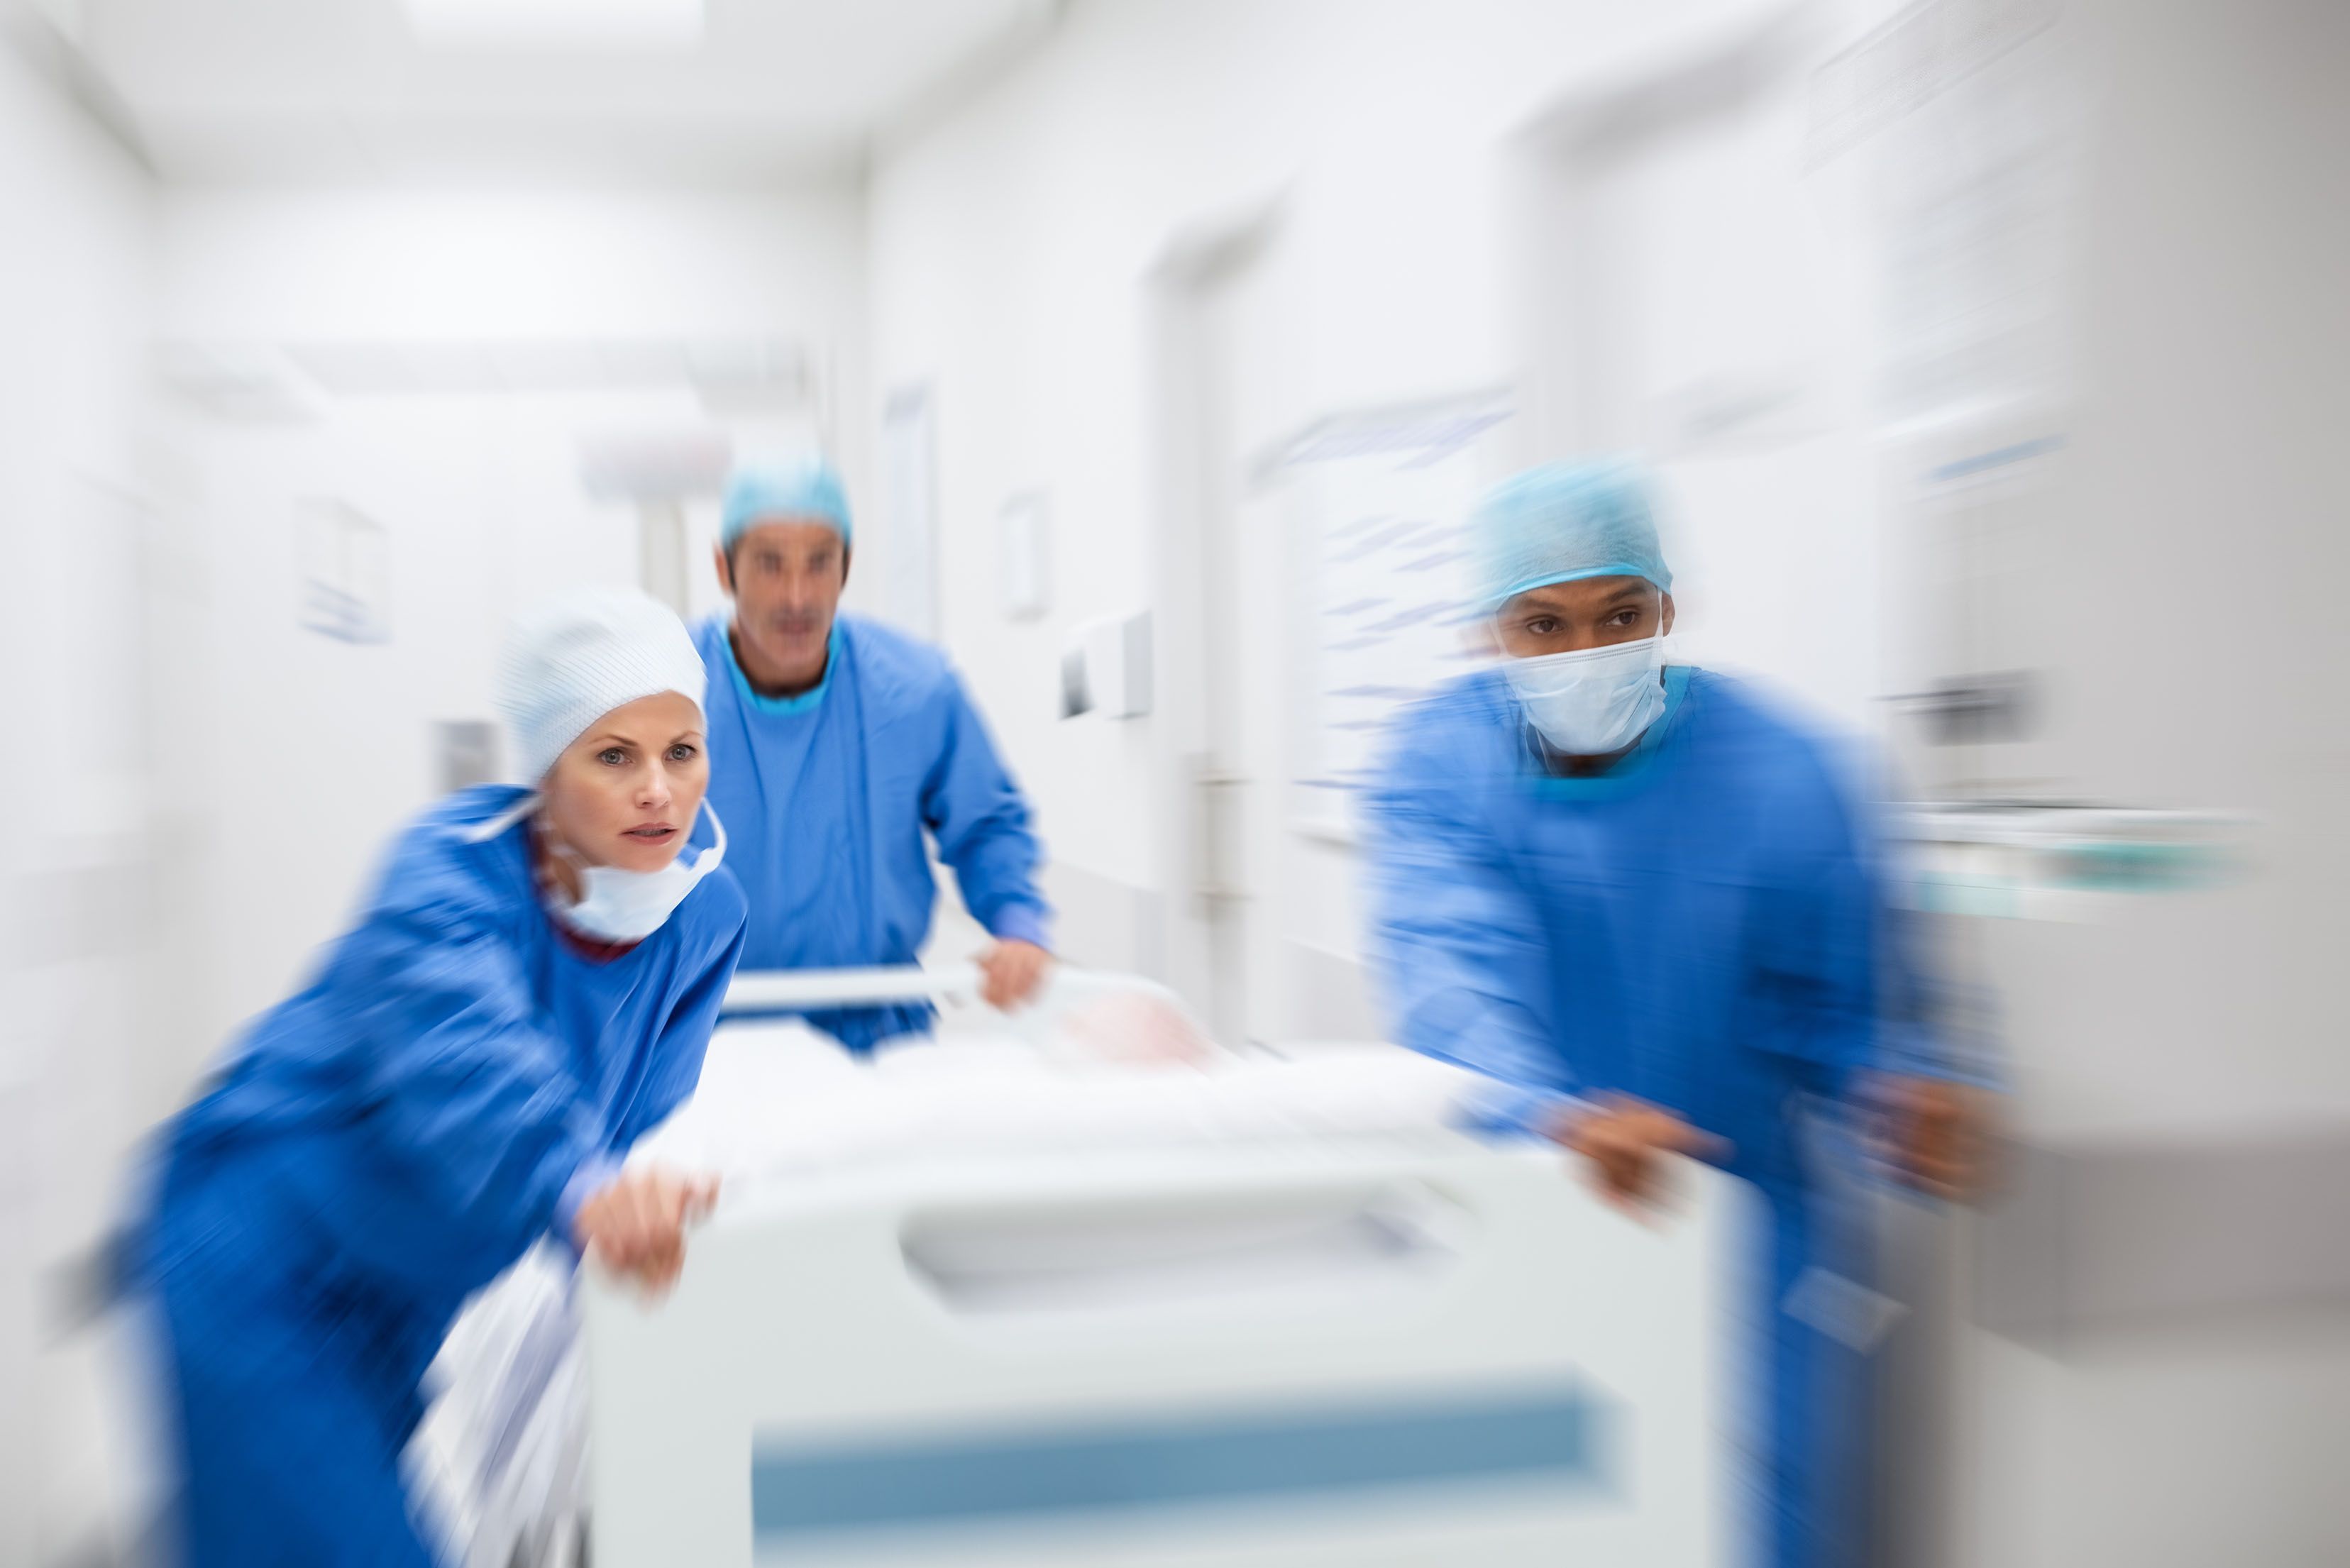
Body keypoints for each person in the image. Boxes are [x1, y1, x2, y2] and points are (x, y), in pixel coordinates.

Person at [1361, 459, 1987, 1568]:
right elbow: (1452, 971)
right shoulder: (1438, 764)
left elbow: (1858, 1003)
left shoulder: (1790, 772)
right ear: (1486, 636)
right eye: (1541, 624)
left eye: (1620, 613)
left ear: (1669, 606)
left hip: (1746, 1243)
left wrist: (1909, 1089)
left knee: (1757, 1525)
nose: (1583, 651)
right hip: (1524, 1213)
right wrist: (1550, 1113)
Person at [138, 587, 748, 1567]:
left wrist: (634, 1202)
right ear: (547, 773)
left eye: (682, 750)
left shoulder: (703, 916)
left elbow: (631, 1120)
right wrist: (583, 1188)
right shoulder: (445, 874)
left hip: (414, 1288)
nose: (660, 791)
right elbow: (474, 1068)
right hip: (262, 1255)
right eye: (614, 755)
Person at [695, 453, 1052, 1050]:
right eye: (769, 564)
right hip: (702, 1043)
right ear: (723, 568)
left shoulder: (915, 691)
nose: (797, 596)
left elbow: (986, 824)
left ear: (848, 566)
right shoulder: (662, 692)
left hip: (877, 1040)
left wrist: (1017, 924)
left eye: (819, 563)